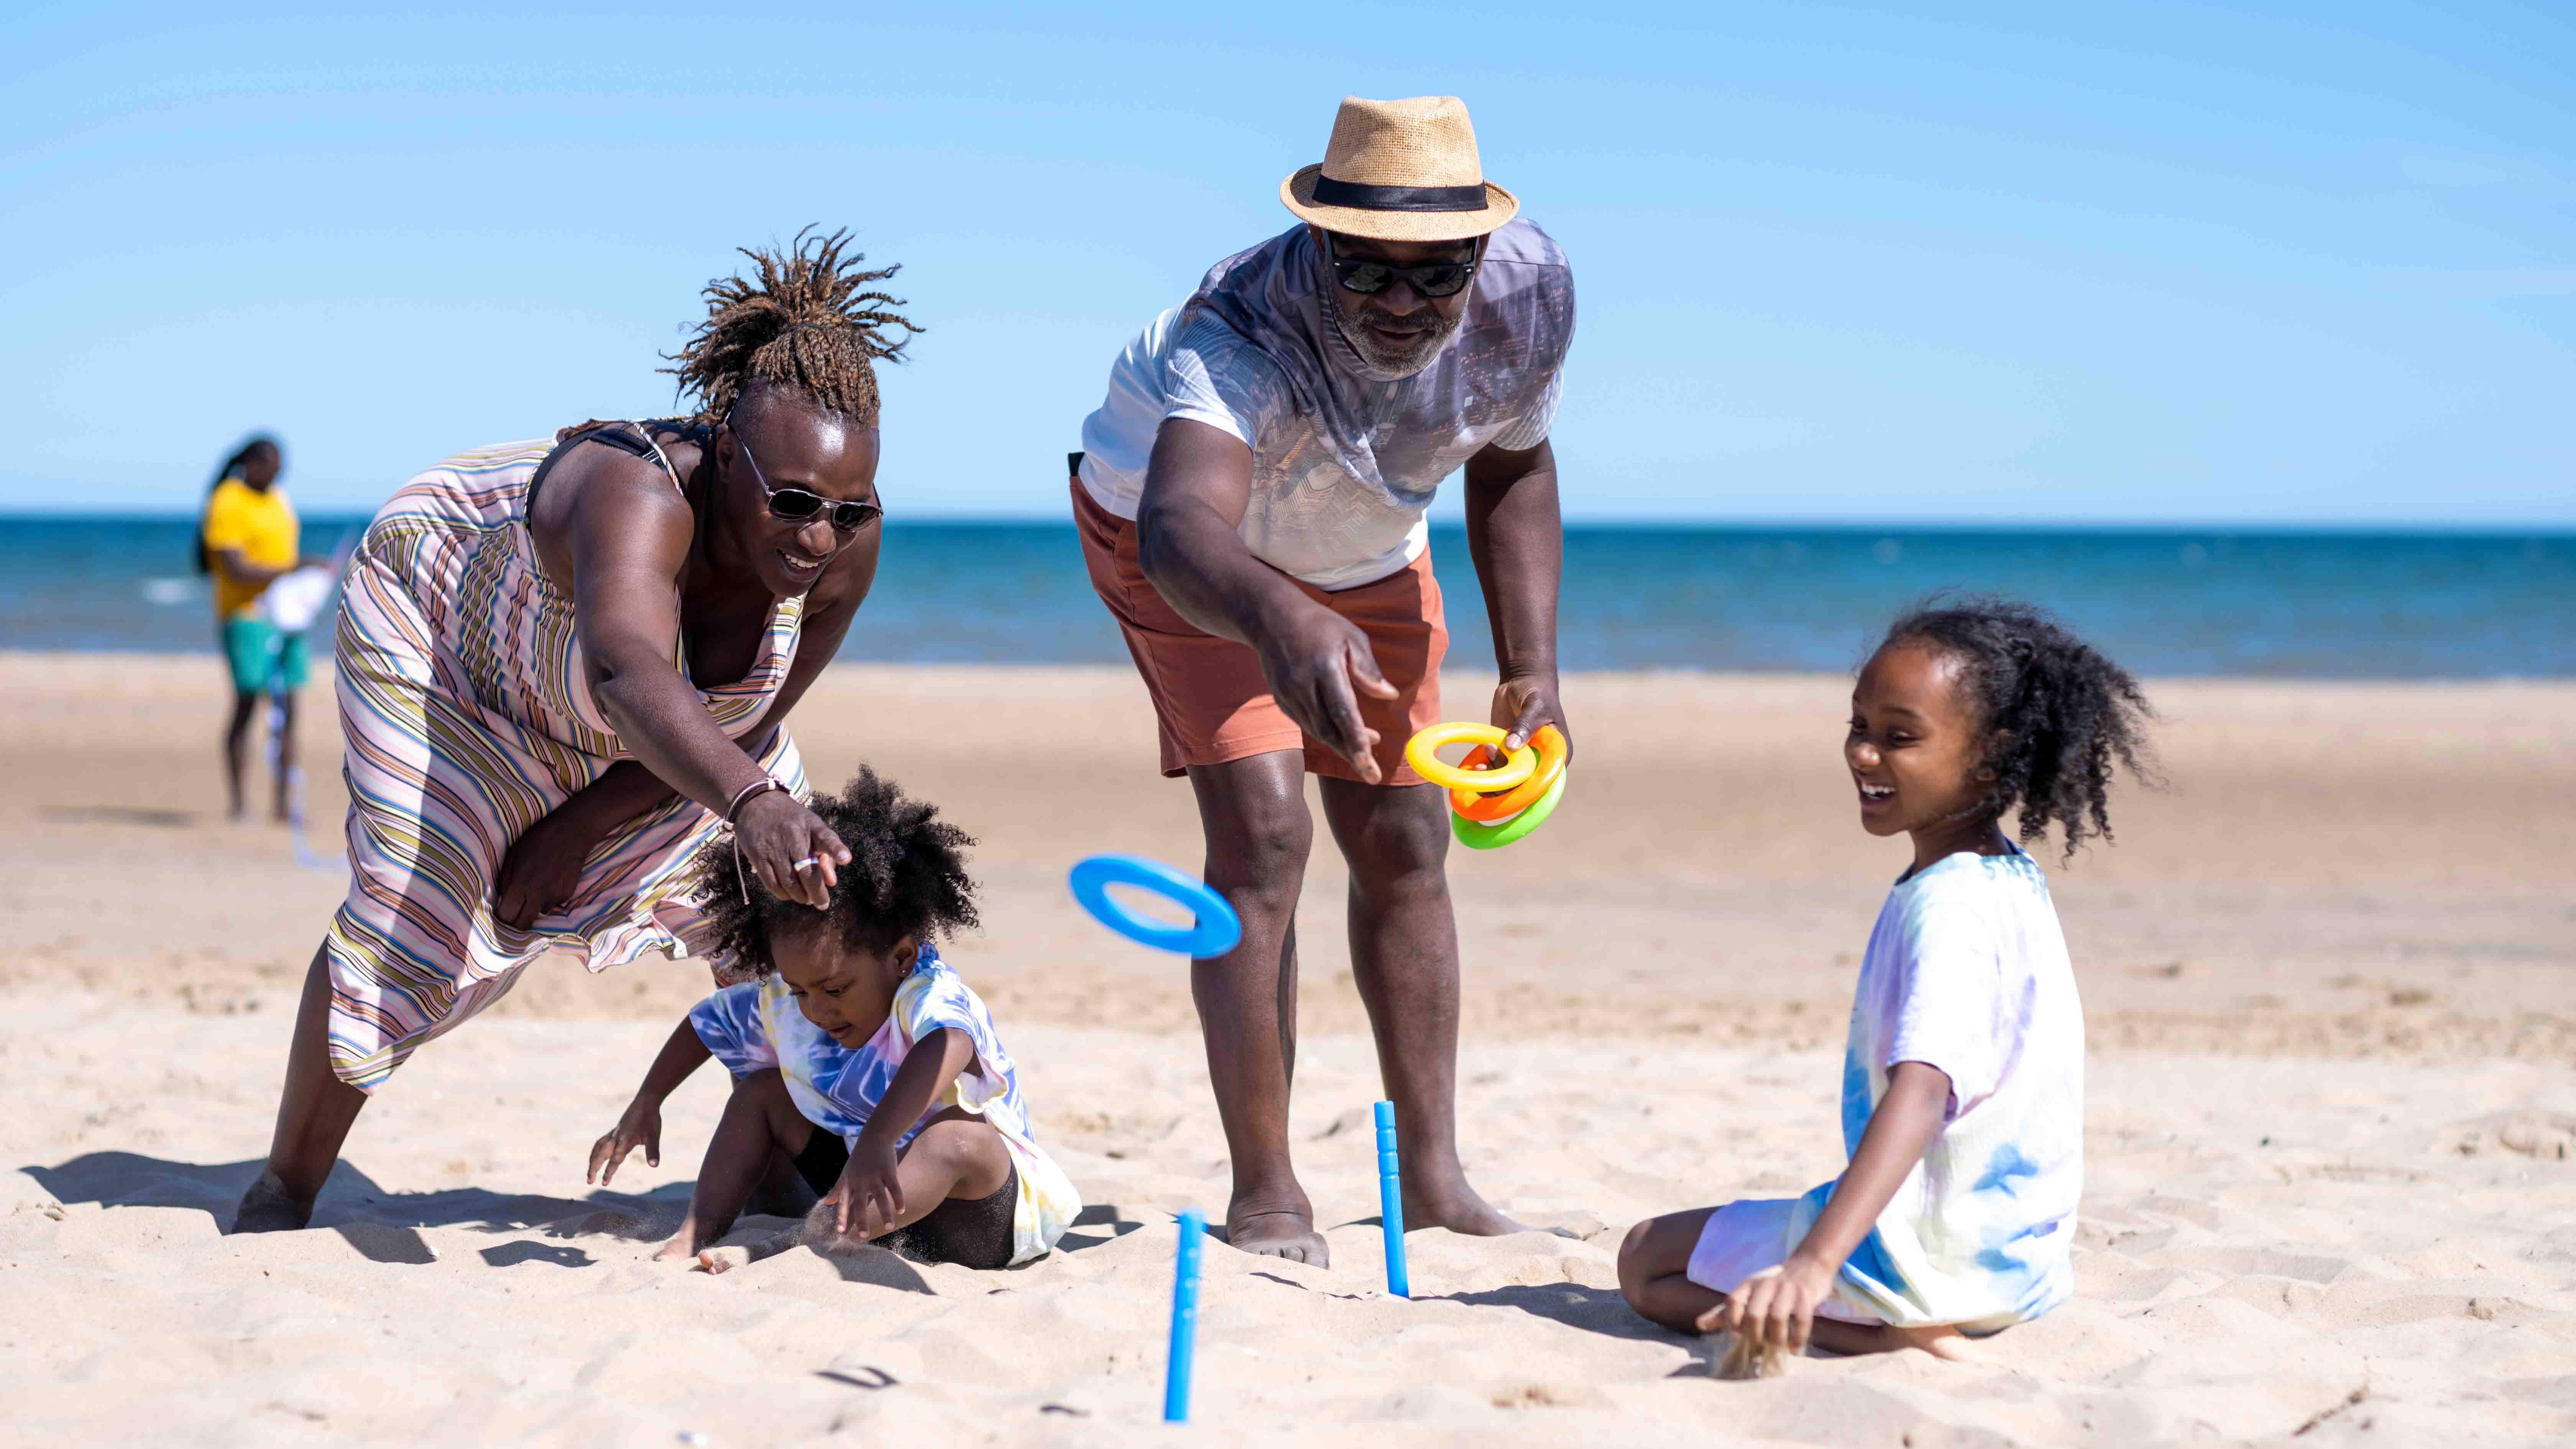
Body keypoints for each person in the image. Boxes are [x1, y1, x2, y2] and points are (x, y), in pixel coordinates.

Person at [233, 228, 918, 1233]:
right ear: (727, 449)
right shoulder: (635, 490)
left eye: (849, 510)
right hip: (444, 646)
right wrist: (746, 796)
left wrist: (585, 823)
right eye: (794, 501)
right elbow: (627, 668)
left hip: (620, 714)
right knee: (418, 903)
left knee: (779, 888)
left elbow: (748, 714)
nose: (819, 536)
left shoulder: (846, 547)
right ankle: (284, 1186)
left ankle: (772, 1148)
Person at [1070, 96, 1575, 1263]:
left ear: (1478, 255)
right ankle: (1268, 1195)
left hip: (1365, 549)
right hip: (1191, 553)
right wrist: (1279, 615)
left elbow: (1515, 463)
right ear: (1317, 242)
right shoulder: (1235, 329)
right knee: (1265, 834)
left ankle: (1436, 1178)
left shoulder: (1529, 293)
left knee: (1404, 839)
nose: (1402, 305)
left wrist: (1532, 667)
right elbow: (1181, 528)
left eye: (1433, 278)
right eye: (1367, 274)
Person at [1617, 600, 2156, 1363]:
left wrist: (1814, 1263)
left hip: (1929, 1262)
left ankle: (1888, 1334)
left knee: (1645, 1260)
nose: (1866, 755)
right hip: (2019, 1262)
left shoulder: (1949, 910)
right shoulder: (2010, 877)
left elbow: (1923, 1088)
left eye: (1900, 737)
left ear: (1991, 761)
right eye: (1859, 727)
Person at [589, 768, 1081, 1270]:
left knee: (960, 1137)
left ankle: (791, 1244)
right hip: (866, 1192)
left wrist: (880, 1138)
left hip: (976, 1221)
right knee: (762, 1090)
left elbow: (950, 1043)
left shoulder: (927, 992)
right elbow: (708, 1024)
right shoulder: (792, 993)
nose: (816, 1009)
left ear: (902, 957)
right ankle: (696, 1231)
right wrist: (649, 1100)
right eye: (801, 990)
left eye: (836, 989)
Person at [197, 435, 322, 821]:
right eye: (271, 465)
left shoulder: (280, 499)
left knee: (288, 708)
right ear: (252, 464)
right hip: (246, 615)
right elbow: (234, 567)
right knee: (248, 704)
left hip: (287, 616)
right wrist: (294, 568)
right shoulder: (228, 500)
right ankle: (239, 804)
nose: (277, 473)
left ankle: (283, 806)